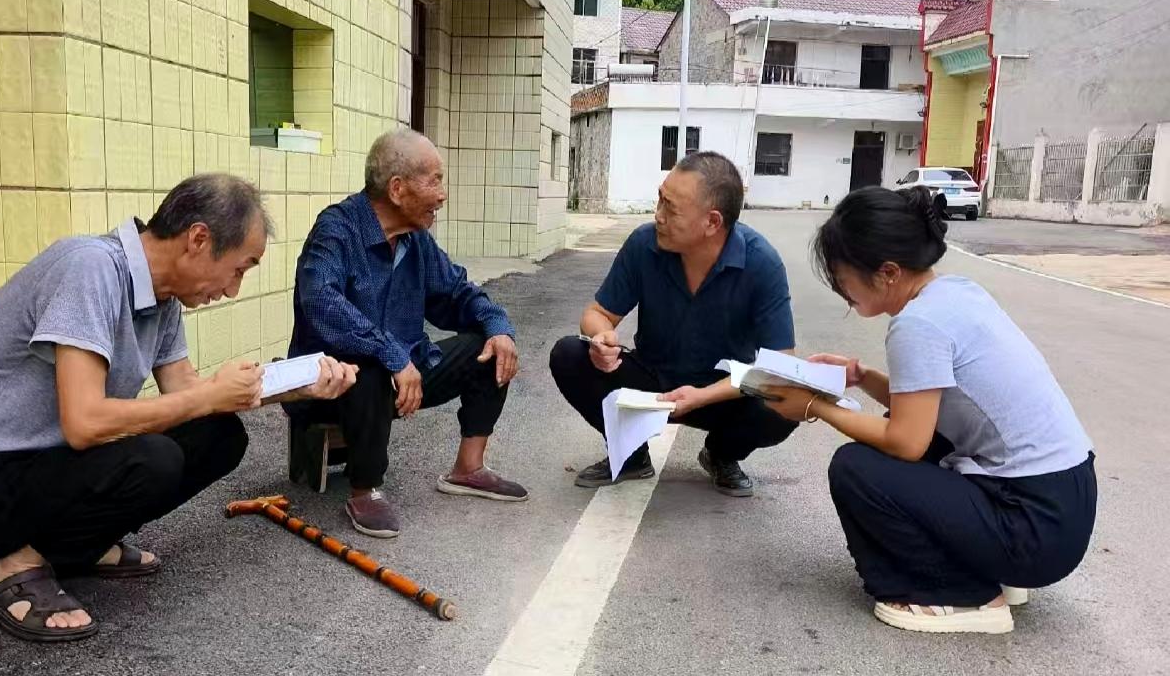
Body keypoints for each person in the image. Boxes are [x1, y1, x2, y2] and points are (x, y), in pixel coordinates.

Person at [0, 174, 359, 643]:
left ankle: (76, 546)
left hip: (33, 470)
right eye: (239, 269)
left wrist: (295, 389)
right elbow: (84, 424)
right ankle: (14, 567)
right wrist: (208, 396)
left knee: (218, 437)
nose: (232, 290)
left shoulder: (162, 300)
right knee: (152, 458)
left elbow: (189, 393)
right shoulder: (90, 269)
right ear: (198, 239)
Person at [763, 186, 1096, 634]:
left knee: (857, 467)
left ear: (888, 272)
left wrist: (816, 407)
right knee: (905, 436)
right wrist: (860, 376)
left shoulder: (917, 324)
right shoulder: (956, 292)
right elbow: (930, 403)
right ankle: (990, 568)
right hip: (1064, 504)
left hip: (1032, 525)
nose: (843, 292)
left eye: (843, 279)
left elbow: (906, 441)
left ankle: (962, 594)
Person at [285, 128, 527, 539]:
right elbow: (321, 301)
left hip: (403, 377)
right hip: (332, 388)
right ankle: (365, 490)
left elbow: (458, 293)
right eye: (434, 180)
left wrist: (499, 328)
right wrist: (392, 354)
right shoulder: (337, 229)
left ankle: (468, 468)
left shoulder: (416, 241)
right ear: (397, 189)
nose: (442, 195)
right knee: (366, 366)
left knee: (486, 348)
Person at [549, 151, 799, 496]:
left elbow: (780, 366)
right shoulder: (644, 244)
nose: (658, 215)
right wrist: (601, 336)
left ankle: (721, 454)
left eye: (671, 208)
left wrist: (702, 396)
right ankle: (631, 455)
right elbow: (596, 313)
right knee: (568, 355)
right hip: (652, 382)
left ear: (712, 222)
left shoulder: (761, 264)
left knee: (788, 403)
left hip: (720, 394)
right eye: (660, 199)